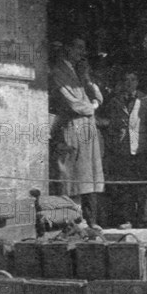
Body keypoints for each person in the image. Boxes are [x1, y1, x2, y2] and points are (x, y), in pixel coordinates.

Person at [49, 36, 104, 228]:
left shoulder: (79, 73)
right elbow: (72, 103)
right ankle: (73, 222)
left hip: (87, 130)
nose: (82, 52)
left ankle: (90, 221)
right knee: (72, 176)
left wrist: (87, 78)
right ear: (67, 48)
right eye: (78, 48)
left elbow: (99, 97)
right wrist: (93, 107)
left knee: (89, 176)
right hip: (72, 129)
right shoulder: (58, 71)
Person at [104, 70, 147, 228]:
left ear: (137, 82)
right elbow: (110, 123)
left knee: (143, 185)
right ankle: (127, 219)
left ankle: (145, 219)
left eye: (132, 79)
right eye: (126, 80)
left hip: (141, 148)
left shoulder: (146, 100)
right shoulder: (115, 101)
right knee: (125, 185)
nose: (129, 83)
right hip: (122, 149)